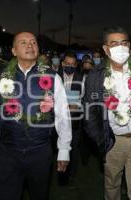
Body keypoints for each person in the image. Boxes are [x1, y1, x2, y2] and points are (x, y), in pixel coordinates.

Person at [0, 32, 72, 200]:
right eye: (23, 42)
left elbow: (63, 116)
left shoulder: (52, 77)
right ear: (13, 51)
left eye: (33, 42)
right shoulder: (1, 76)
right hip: (8, 152)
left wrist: (64, 150)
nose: (30, 45)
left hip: (39, 152)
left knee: (39, 195)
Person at [83, 26, 131, 200]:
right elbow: (89, 112)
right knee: (112, 186)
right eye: (114, 43)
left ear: (129, 45)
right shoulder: (96, 76)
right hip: (113, 142)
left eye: (123, 42)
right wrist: (100, 139)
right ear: (105, 48)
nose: (120, 47)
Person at [58, 52, 83, 188]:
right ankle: (60, 173)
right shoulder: (55, 77)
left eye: (73, 64)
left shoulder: (81, 78)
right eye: (67, 63)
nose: (70, 66)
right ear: (62, 64)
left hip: (74, 119)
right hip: (58, 119)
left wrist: (78, 104)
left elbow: (84, 98)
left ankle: (71, 175)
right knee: (60, 147)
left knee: (73, 149)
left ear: (76, 65)